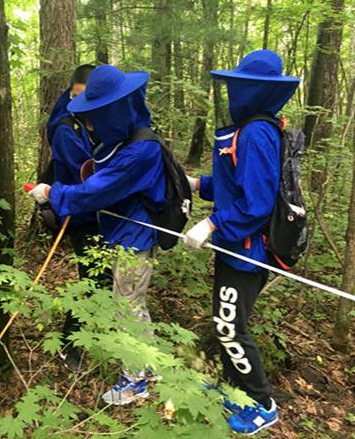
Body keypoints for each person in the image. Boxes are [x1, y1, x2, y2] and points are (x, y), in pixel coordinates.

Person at [28, 64, 166, 405]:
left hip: (135, 237)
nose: (93, 126)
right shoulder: (127, 141)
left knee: (126, 306)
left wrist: (53, 195)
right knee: (132, 304)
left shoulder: (139, 149)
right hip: (124, 234)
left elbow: (95, 191)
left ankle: (135, 380)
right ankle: (147, 366)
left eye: (98, 115)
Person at [184, 50, 300, 435]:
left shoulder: (257, 132)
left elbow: (257, 203)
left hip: (249, 250)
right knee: (225, 319)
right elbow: (238, 183)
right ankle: (235, 388)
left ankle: (262, 404)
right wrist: (201, 185)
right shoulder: (250, 128)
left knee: (230, 325)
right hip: (234, 246)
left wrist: (212, 224)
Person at [45, 64, 112, 371]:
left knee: (101, 279)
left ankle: (89, 337)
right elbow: (81, 174)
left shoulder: (92, 120)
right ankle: (70, 344)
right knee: (92, 280)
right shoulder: (64, 128)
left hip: (98, 213)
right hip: (79, 214)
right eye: (76, 96)